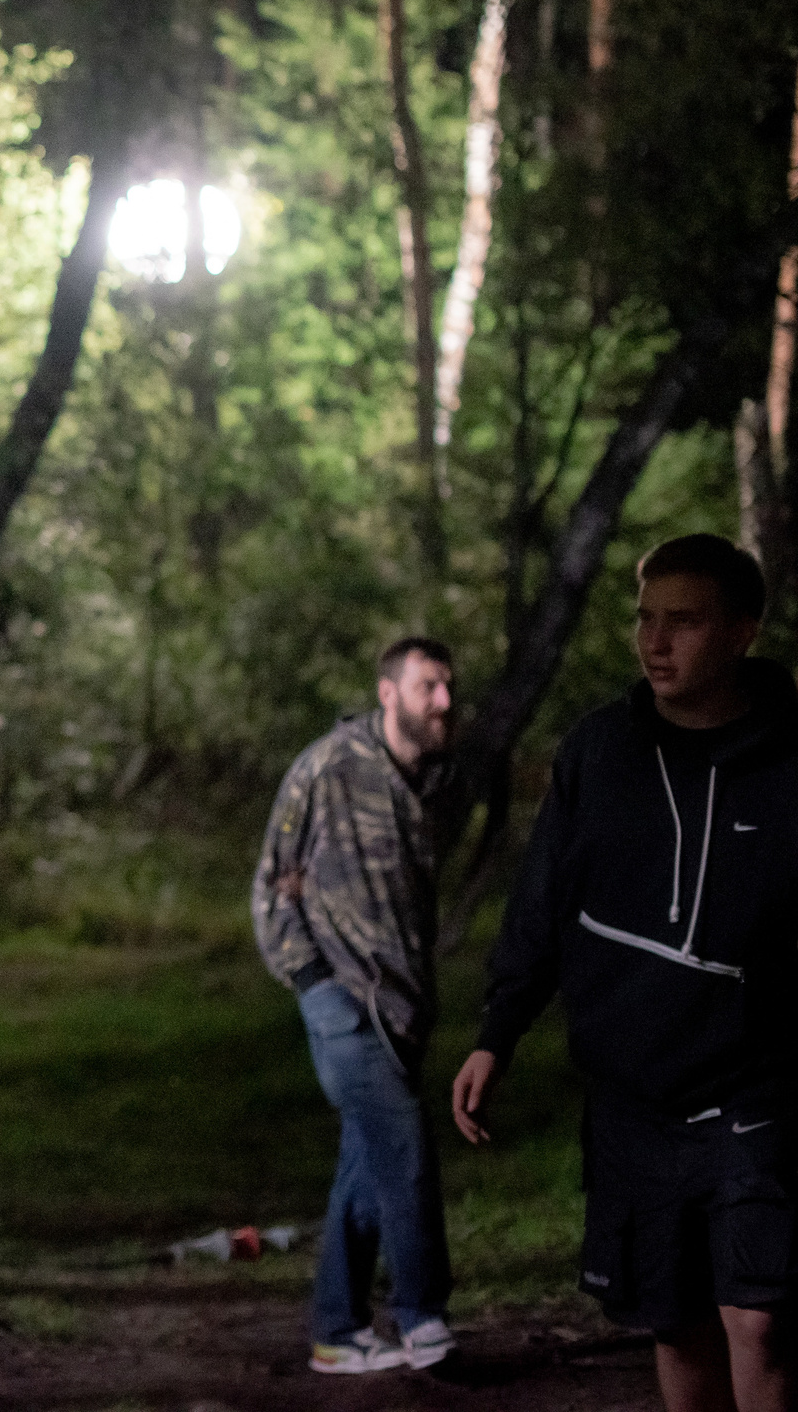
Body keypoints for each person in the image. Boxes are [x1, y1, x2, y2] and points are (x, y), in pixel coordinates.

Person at [454, 535, 798, 1412]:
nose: (656, 641)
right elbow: (541, 902)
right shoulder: (599, 753)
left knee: (762, 1319)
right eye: (646, 618)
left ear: (742, 632)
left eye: (684, 621)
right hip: (632, 1096)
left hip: (758, 1091)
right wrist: (499, 1032)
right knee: (674, 1319)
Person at [250, 635, 457, 1375]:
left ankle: (338, 1330)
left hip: (400, 1007)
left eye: (448, 687)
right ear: (387, 692)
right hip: (343, 1000)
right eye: (429, 685)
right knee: (404, 1148)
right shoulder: (332, 765)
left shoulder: (425, 780)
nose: (444, 701)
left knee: (366, 1168)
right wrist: (312, 980)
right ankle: (423, 1316)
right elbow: (272, 884)